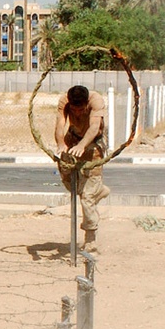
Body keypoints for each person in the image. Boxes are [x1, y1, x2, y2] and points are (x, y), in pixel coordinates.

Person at [54, 85, 112, 252]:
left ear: (86, 103)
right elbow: (60, 123)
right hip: (73, 138)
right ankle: (98, 191)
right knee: (70, 180)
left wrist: (82, 146)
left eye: (80, 110)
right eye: (74, 110)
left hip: (94, 143)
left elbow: (94, 127)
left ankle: (90, 237)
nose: (78, 113)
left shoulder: (96, 101)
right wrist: (60, 144)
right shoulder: (64, 101)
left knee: (87, 197)